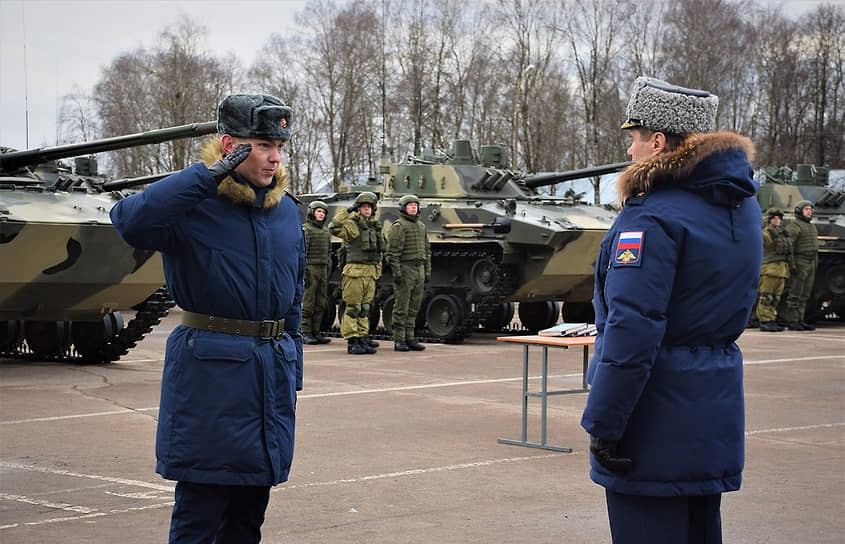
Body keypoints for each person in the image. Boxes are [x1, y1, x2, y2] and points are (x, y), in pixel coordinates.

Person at [110, 93, 305, 543]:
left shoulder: (285, 213)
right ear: (229, 145)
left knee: (248, 519)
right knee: (201, 518)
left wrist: (292, 366)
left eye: (279, 146)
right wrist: (204, 176)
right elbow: (128, 221)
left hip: (269, 380)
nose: (274, 157)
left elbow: (293, 296)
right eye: (260, 145)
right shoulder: (192, 205)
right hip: (211, 380)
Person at [580, 76, 762, 544]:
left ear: (658, 141)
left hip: (651, 421)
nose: (630, 151)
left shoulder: (650, 216)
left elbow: (632, 330)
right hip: (710, 412)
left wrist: (603, 424)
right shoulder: (739, 207)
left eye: (634, 138)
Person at [328, 191, 385, 355]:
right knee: (353, 307)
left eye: (369, 207)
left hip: (370, 272)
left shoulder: (374, 226)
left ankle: (362, 336)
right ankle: (352, 341)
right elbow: (334, 227)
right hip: (355, 272)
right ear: (359, 209)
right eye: (363, 207)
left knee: (365, 308)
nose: (366, 210)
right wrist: (348, 210)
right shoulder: (353, 225)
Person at [385, 194, 431, 351]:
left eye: (415, 205)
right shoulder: (399, 226)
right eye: (410, 205)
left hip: (419, 269)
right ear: (403, 208)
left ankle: (410, 337)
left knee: (414, 307)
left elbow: (427, 250)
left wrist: (427, 271)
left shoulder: (421, 226)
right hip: (406, 269)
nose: (414, 207)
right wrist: (397, 273)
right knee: (401, 306)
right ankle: (399, 339)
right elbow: (392, 253)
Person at [782, 200, 819, 331]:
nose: (810, 211)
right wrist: (792, 265)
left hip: (810, 262)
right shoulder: (794, 226)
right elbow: (788, 247)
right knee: (795, 293)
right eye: (806, 209)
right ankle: (792, 320)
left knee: (805, 294)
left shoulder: (811, 226)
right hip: (800, 261)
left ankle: (800, 319)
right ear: (799, 211)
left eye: (810, 209)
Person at [302, 200, 333, 345]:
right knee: (308, 302)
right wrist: (303, 272)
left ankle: (316, 331)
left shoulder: (326, 231)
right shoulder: (307, 230)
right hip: (311, 268)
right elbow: (302, 252)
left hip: (323, 268)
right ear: (312, 213)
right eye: (318, 211)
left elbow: (329, 252)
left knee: (320, 303)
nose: (321, 214)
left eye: (323, 212)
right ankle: (304, 331)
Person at [757, 208, 791, 332]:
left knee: (775, 297)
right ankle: (764, 320)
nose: (777, 220)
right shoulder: (765, 233)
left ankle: (771, 319)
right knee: (766, 297)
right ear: (769, 219)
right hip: (769, 269)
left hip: (781, 270)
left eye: (779, 218)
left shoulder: (782, 234)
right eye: (774, 218)